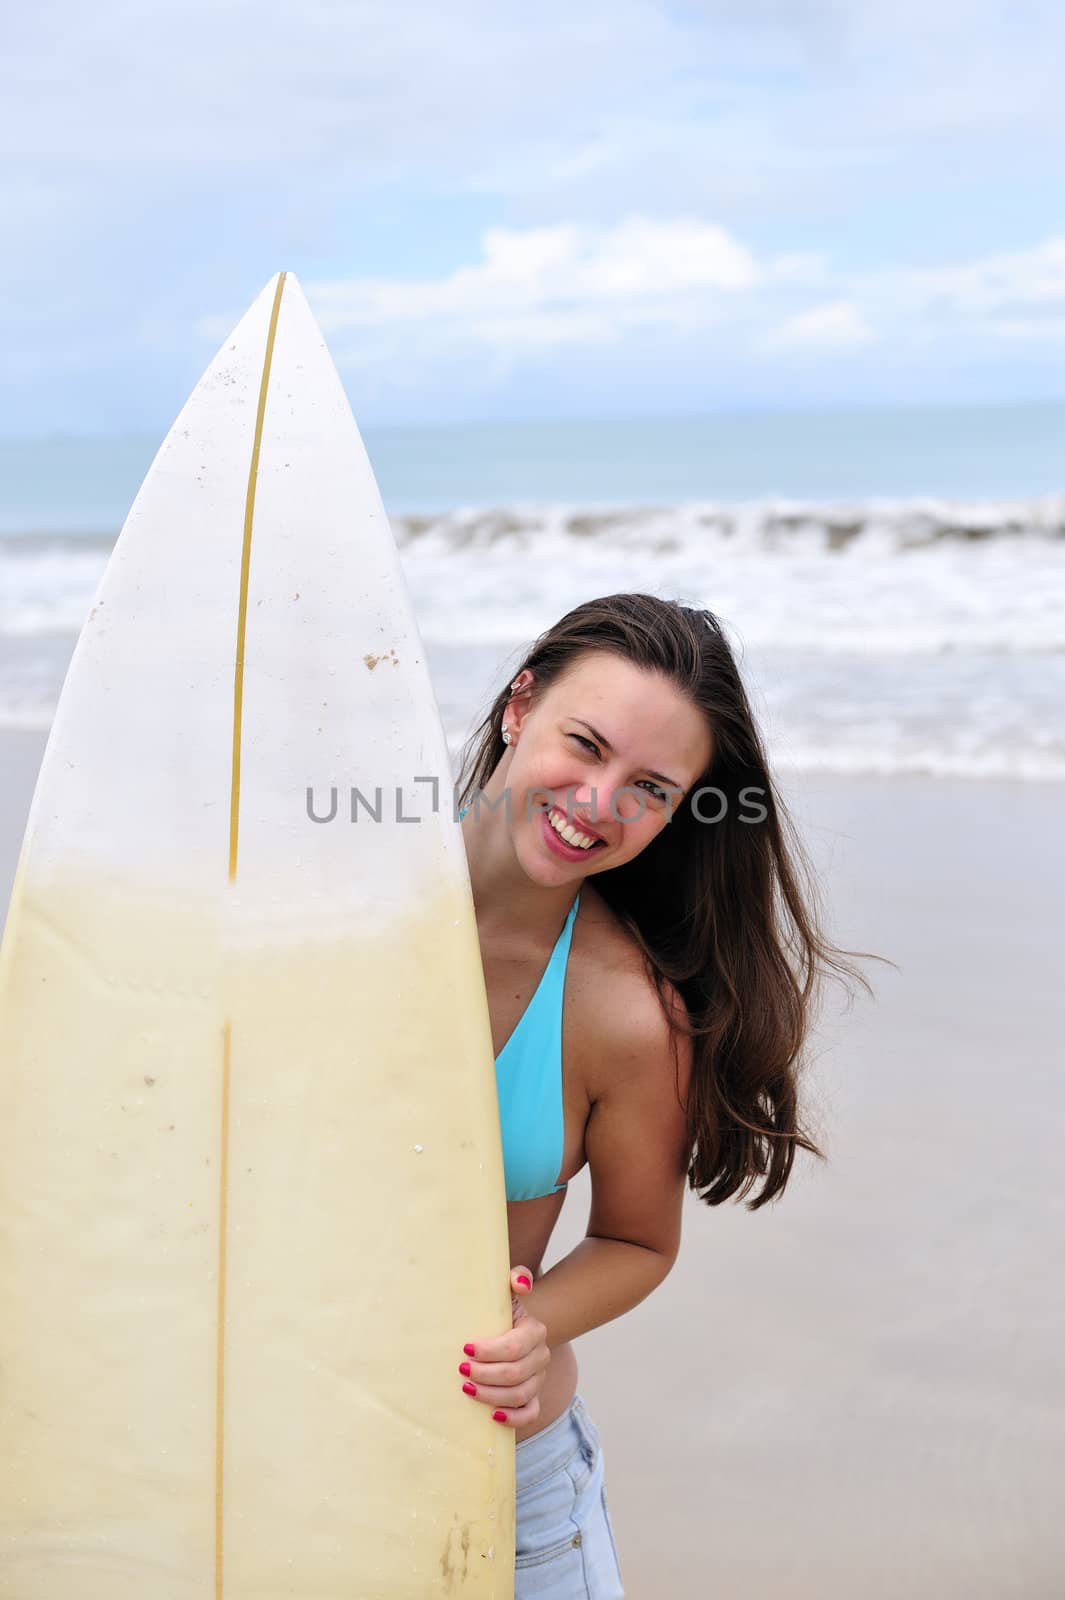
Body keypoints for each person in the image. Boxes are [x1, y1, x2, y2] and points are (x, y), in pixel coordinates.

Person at [453, 593, 863, 1598]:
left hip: (506, 1481)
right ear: (521, 704)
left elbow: (636, 1241)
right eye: (583, 744)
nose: (598, 800)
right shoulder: (321, 907)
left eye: (649, 787)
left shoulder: (624, 1014)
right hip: (276, 1441)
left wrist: (533, 1327)